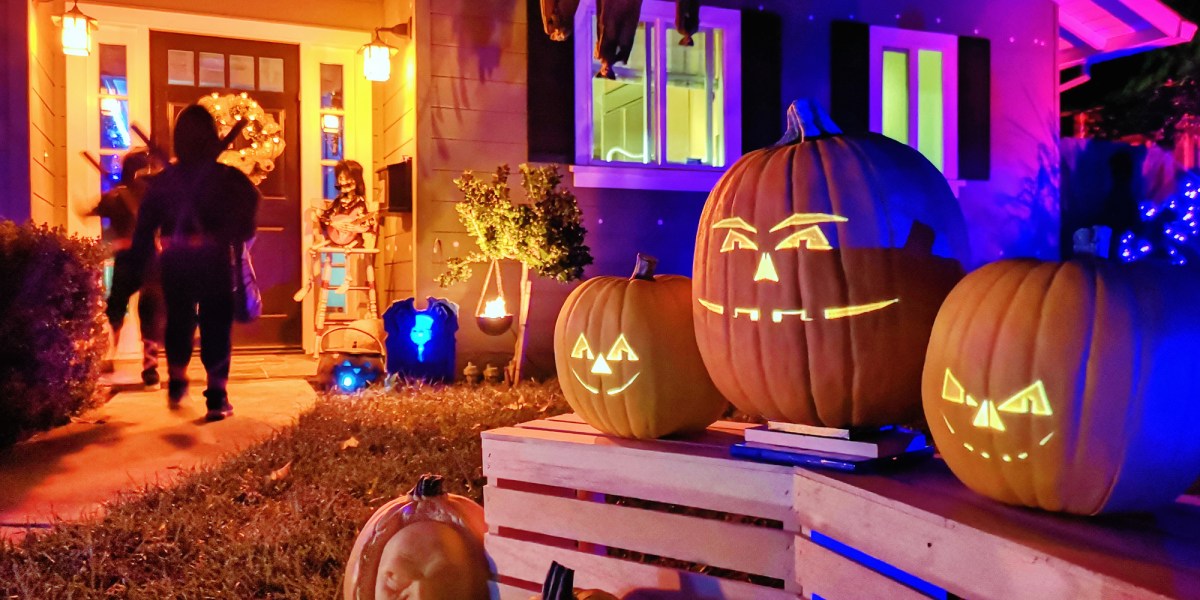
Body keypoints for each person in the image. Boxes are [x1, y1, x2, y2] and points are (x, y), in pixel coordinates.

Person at [128, 104, 260, 421]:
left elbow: (146, 225)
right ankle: (216, 397)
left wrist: (143, 261)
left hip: (175, 260)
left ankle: (177, 382)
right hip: (214, 260)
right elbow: (249, 215)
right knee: (215, 324)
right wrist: (227, 234)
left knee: (179, 321)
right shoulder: (229, 179)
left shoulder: (164, 181)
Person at [90, 148, 164, 386]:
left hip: (136, 258)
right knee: (141, 307)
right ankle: (138, 363)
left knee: (128, 306)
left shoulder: (119, 196)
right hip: (143, 257)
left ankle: (120, 356)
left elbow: (96, 214)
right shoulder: (143, 195)